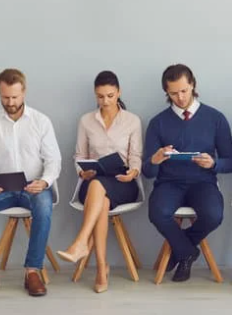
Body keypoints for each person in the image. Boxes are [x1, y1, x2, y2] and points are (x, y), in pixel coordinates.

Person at [0, 68, 61, 297]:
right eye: (5, 97)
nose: (10, 102)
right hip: (3, 187)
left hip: (34, 187)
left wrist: (45, 182)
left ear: (24, 92)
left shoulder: (41, 121)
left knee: (43, 205)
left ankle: (32, 271)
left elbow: (54, 160)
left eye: (15, 97)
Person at [143, 64, 232, 282]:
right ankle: (188, 252)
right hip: (169, 183)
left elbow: (231, 162)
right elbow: (148, 172)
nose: (180, 97)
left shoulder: (215, 118)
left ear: (193, 85)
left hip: (203, 182)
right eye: (173, 93)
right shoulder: (158, 123)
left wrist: (213, 163)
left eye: (184, 91)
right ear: (166, 92)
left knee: (214, 215)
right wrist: (155, 159)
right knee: (157, 213)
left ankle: (180, 249)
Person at [57, 70, 142, 293]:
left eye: (110, 96)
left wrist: (133, 172)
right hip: (94, 178)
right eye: (100, 96)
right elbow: (78, 155)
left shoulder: (132, 121)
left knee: (100, 189)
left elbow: (135, 156)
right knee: (99, 196)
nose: (105, 101)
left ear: (119, 92)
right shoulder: (86, 121)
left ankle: (81, 243)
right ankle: (101, 268)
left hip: (123, 181)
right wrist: (81, 171)